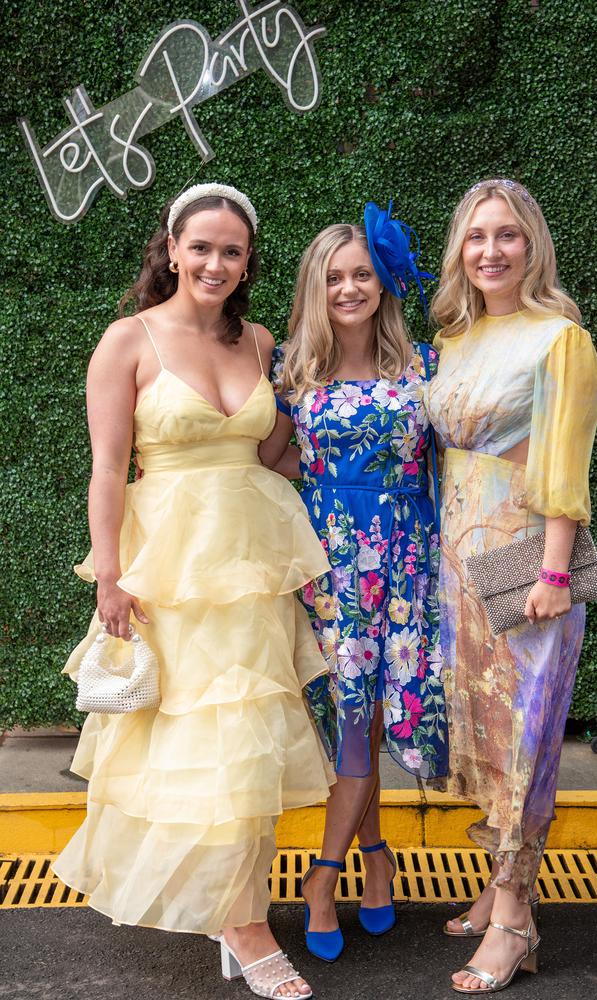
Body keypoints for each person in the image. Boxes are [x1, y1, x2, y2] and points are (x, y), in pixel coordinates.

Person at [52, 183, 336, 1000]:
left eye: (232, 251)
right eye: (202, 246)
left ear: (247, 263)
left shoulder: (259, 340)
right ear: (172, 249)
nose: (215, 262)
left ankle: (237, 908)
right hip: (169, 570)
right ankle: (244, 928)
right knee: (190, 740)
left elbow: (278, 451)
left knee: (248, 736)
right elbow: (109, 468)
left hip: (251, 564)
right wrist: (109, 575)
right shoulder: (127, 340)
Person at [423, 178, 597, 994]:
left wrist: (556, 572)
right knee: (484, 733)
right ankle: (497, 882)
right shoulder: (453, 340)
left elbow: (565, 466)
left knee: (525, 738)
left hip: (526, 555)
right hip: (456, 558)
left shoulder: (557, 338)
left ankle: (516, 916)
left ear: (532, 245)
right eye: (475, 237)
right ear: (460, 249)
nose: (490, 251)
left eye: (508, 235)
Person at [261, 205, 448, 962]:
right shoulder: (292, 376)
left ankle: (342, 867)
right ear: (316, 288)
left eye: (361, 274)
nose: (348, 288)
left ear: (383, 282)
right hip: (333, 564)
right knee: (349, 716)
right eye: (333, 277)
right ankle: (352, 864)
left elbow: (467, 462)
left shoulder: (426, 367)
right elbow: (270, 465)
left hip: (407, 558)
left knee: (373, 712)